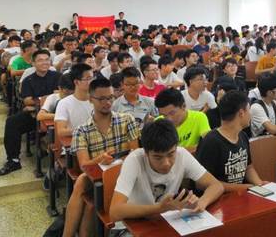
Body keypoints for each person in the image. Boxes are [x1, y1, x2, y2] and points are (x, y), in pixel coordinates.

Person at [63, 78, 140, 237]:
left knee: (90, 205)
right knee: (84, 183)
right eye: (102, 99)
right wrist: (100, 159)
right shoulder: (82, 130)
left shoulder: (127, 120)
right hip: (98, 179)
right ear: (91, 99)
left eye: (110, 97)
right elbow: (84, 166)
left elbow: (135, 152)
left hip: (126, 173)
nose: (107, 102)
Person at [109, 119, 224, 223]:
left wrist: (202, 202)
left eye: (171, 154)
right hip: (136, 223)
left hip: (166, 221)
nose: (166, 163)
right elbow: (115, 212)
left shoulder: (182, 155)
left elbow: (217, 186)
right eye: (158, 157)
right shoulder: (134, 160)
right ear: (146, 153)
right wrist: (159, 208)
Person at [0, 49, 61, 175]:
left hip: (56, 112)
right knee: (12, 122)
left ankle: (54, 157)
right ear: (33, 63)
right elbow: (27, 101)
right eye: (40, 60)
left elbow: (63, 95)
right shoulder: (28, 80)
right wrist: (49, 97)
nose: (44, 63)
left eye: (47, 60)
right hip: (36, 114)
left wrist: (39, 100)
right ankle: (13, 160)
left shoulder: (58, 76)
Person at [196, 90, 268, 192]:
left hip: (240, 194)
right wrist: (247, 187)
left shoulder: (242, 136)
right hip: (219, 198)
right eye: (249, 110)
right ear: (241, 113)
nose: (250, 114)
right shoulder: (211, 141)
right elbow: (202, 184)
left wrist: (259, 185)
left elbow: (248, 168)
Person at [54, 63, 94, 138]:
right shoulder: (64, 103)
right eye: (88, 79)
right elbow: (61, 131)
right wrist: (87, 130)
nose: (92, 82)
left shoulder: (98, 99)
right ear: (76, 82)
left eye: (92, 78)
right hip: (76, 141)